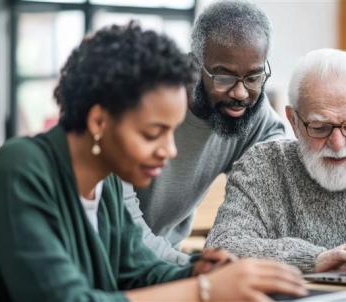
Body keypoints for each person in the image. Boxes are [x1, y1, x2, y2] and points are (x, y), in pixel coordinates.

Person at [0, 22, 307, 301]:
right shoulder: (19, 173)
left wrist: (196, 269)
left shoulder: (103, 180)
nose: (170, 150)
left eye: (171, 132)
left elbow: (137, 268)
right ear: (98, 122)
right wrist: (203, 289)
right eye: (153, 133)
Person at [205, 49, 346, 273]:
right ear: (293, 121)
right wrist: (311, 259)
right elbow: (222, 246)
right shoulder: (262, 166)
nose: (338, 144)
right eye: (320, 128)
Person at [123, 0, 288, 265]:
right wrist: (195, 268)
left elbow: (283, 177)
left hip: (171, 263)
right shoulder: (142, 104)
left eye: (254, 77)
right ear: (193, 65)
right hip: (118, 263)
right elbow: (124, 234)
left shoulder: (253, 114)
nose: (240, 93)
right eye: (223, 77)